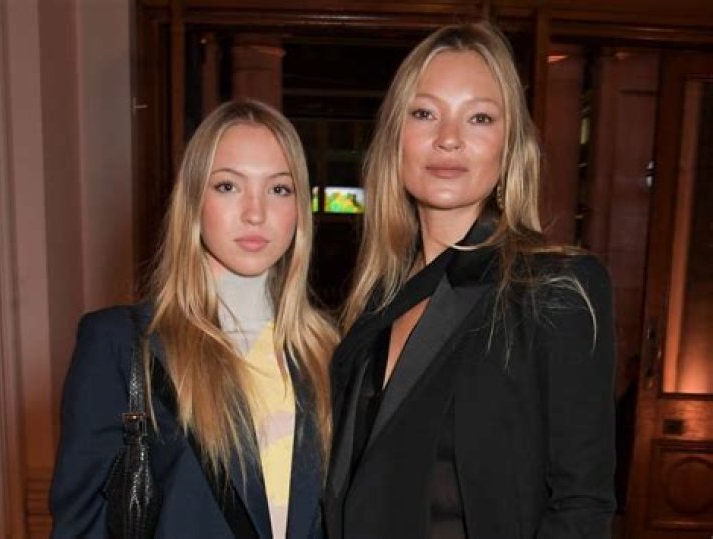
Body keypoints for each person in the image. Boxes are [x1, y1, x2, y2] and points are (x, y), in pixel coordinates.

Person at [323, 21, 616, 539]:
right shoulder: (375, 302)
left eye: (479, 117)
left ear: (510, 146)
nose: (449, 138)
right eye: (424, 113)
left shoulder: (555, 290)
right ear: (395, 137)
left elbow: (581, 506)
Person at [50, 100, 338, 538]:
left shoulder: (328, 353)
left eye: (279, 189)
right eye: (228, 186)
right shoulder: (122, 343)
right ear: (193, 200)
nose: (255, 212)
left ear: (300, 209)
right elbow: (82, 527)